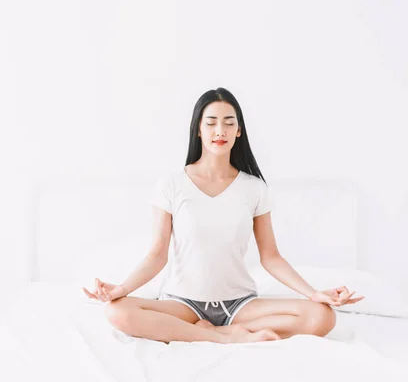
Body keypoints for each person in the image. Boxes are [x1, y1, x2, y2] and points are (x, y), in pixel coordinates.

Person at [83, 87, 364, 344]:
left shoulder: (254, 188)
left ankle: (219, 330)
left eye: (229, 123)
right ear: (198, 130)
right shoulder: (172, 184)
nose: (221, 130)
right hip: (183, 304)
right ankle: (223, 338)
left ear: (239, 130)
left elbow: (271, 257)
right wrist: (121, 288)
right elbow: (157, 254)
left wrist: (313, 293)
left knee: (323, 317)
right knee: (117, 311)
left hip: (240, 305)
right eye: (212, 123)